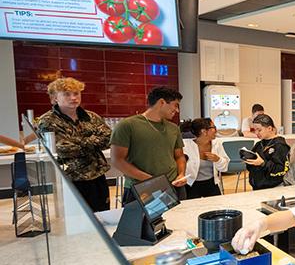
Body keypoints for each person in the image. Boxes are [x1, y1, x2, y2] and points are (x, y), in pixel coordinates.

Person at [36, 77, 112, 212]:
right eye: (66, 94)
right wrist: (93, 141)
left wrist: (80, 143)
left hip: (97, 175)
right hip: (71, 179)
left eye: (76, 93)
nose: (73, 97)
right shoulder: (47, 121)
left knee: (102, 216)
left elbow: (108, 138)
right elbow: (63, 149)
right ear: (54, 98)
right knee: (77, 221)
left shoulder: (91, 116)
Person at [111, 87, 187, 203]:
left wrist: (181, 174)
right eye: (175, 105)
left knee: (176, 220)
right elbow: (117, 160)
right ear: (162, 102)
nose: (177, 110)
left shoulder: (173, 128)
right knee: (141, 221)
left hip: (173, 185)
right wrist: (152, 180)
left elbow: (179, 156)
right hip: (141, 187)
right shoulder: (127, 125)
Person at [182, 118, 230, 199]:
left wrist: (218, 159)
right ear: (204, 131)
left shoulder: (216, 144)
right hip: (191, 185)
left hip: (211, 183)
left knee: (217, 207)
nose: (216, 130)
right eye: (213, 127)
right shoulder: (186, 146)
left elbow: (225, 168)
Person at [244, 113, 291, 190]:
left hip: (273, 188)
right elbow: (251, 167)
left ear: (269, 128)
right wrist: (248, 160)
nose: (256, 133)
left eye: (259, 130)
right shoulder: (259, 144)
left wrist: (263, 163)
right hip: (257, 186)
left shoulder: (280, 146)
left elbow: (281, 170)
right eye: (254, 130)